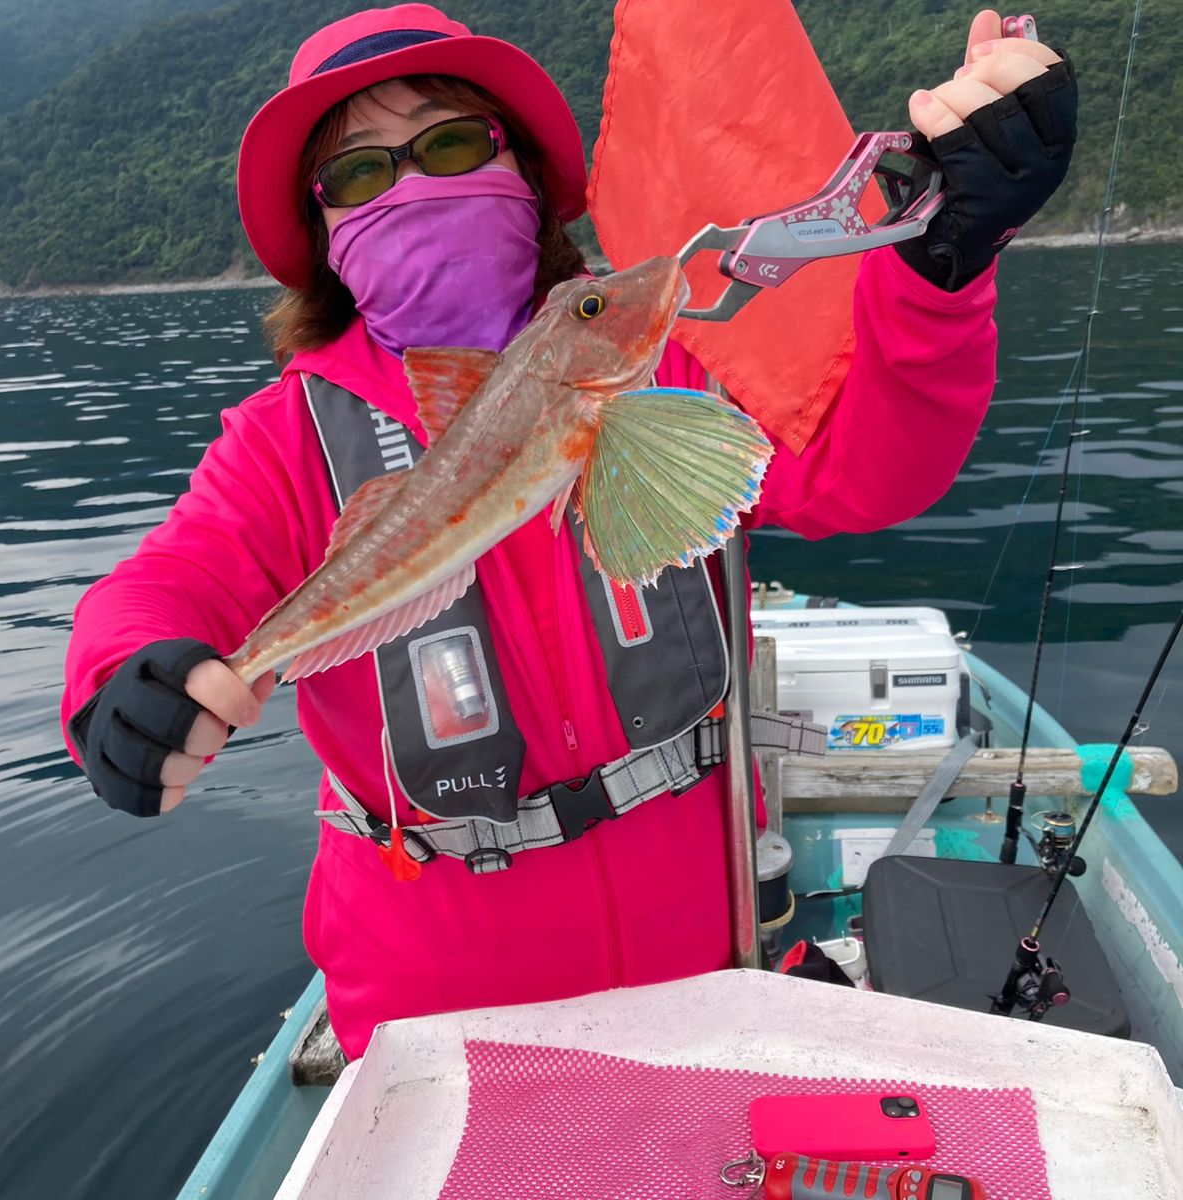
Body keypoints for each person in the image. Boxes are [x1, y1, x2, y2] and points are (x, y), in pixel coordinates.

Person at [61, 5, 1077, 1058]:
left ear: (525, 175)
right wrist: (121, 673)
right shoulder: (288, 438)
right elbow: (174, 576)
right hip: (439, 1010)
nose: (412, 186)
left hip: (705, 951)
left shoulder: (672, 362)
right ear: (324, 234)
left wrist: (944, 269)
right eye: (359, 175)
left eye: (450, 143)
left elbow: (861, 478)